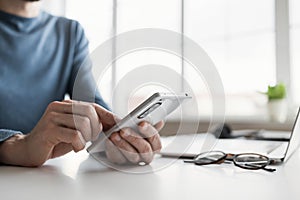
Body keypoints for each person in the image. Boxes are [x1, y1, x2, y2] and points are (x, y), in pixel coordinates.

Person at [0, 0, 163, 167]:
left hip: (46, 181)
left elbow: (92, 106)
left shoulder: (69, 32)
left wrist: (120, 137)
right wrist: (14, 145)